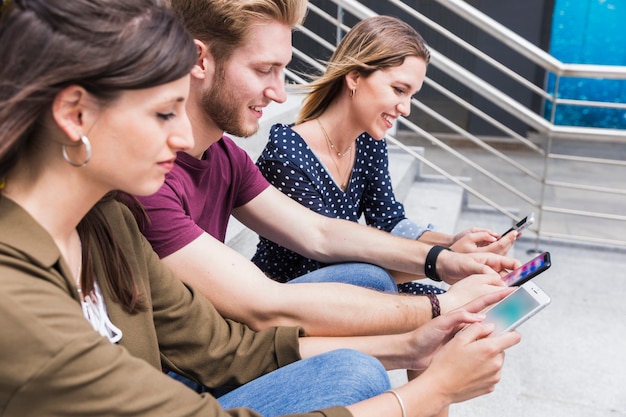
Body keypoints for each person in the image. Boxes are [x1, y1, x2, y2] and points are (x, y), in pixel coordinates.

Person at [0, 2, 522, 416]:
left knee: (365, 327)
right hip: (177, 376)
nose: (181, 136)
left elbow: (232, 340)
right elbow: (265, 306)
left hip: (187, 358)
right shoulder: (22, 290)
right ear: (74, 113)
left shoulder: (111, 222)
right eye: (163, 112)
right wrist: (428, 365)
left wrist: (421, 316)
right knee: (357, 368)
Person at [136, 0, 520, 341]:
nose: (280, 93)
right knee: (368, 350)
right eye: (263, 69)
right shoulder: (146, 178)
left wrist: (443, 258)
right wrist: (440, 304)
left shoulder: (226, 156)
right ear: (200, 60)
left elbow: (320, 231)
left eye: (282, 70)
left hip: (233, 330)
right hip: (198, 356)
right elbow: (267, 302)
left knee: (375, 286)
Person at [253, 16, 515, 297]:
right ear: (354, 76)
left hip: (351, 283)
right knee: (449, 312)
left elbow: (388, 221)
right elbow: (331, 261)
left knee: (472, 311)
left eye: (411, 95)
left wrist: (452, 242)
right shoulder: (286, 153)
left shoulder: (367, 139)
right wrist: (446, 259)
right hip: (293, 294)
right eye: (399, 90)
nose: (406, 108)